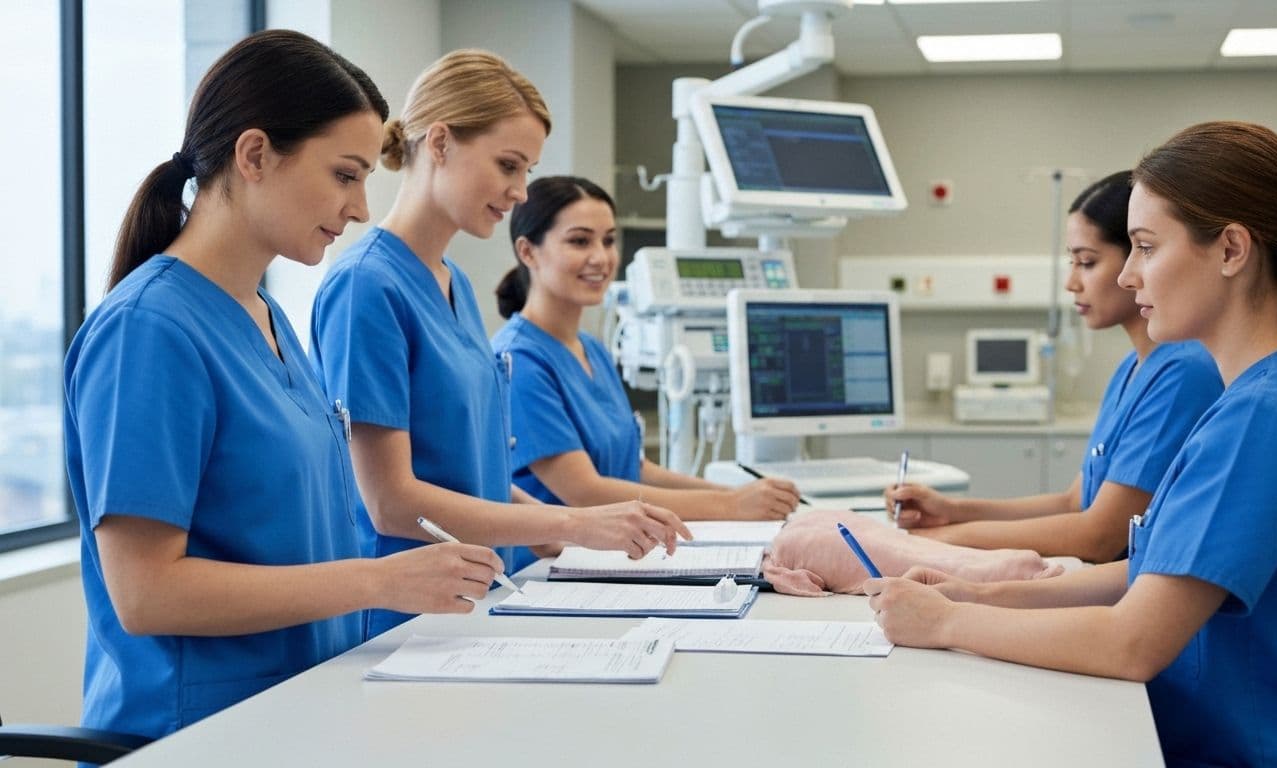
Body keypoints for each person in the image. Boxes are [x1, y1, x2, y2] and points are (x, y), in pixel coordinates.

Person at [866, 121, 1277, 766]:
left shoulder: (1266, 416)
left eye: (1145, 247)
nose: (1126, 276)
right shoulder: (1272, 391)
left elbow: (1132, 642)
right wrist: (973, 595)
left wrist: (946, 624)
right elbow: (1150, 576)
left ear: (1231, 249)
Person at [64, 30, 504, 741]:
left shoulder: (267, 318)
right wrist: (379, 580)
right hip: (196, 734)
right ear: (255, 155)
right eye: (344, 174)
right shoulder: (149, 331)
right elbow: (146, 593)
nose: (360, 207)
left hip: (302, 711)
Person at [310, 52, 689, 637]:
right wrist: (577, 523)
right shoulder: (367, 285)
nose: (519, 192)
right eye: (508, 165)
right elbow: (389, 500)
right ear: (439, 143)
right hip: (404, 619)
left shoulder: (454, 283)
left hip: (482, 596)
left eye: (527, 171)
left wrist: (548, 523)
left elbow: (473, 469)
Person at [887, 171, 1222, 563]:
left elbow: (1099, 535)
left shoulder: (1184, 373)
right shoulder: (1132, 368)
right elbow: (1072, 503)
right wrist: (952, 511)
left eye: (1087, 262)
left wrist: (940, 541)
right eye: (1072, 262)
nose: (1071, 282)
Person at [490, 175, 801, 522]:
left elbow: (633, 469)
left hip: (612, 551)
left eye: (608, 241)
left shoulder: (592, 350)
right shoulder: (518, 360)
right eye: (579, 241)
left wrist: (741, 495)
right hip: (549, 565)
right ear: (527, 251)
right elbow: (584, 493)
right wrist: (730, 507)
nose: (601, 258)